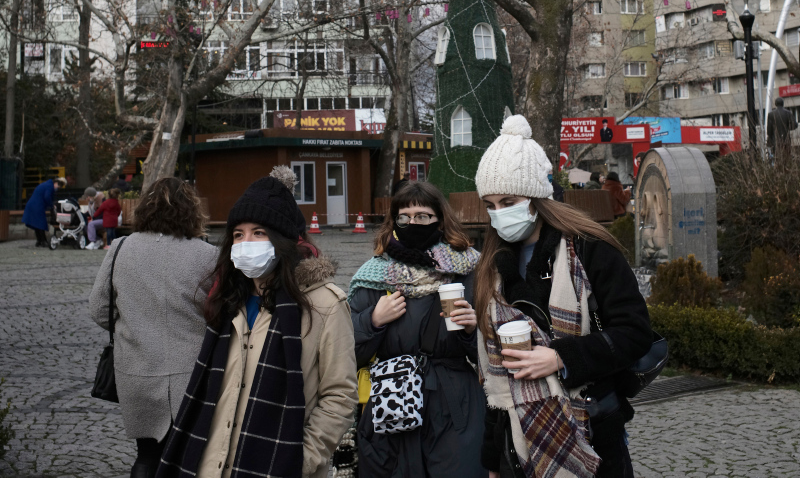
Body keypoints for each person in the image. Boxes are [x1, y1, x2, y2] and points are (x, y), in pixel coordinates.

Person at [472, 115, 652, 478]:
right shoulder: (492, 264)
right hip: (517, 443)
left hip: (592, 432)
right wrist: (492, 461)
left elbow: (634, 333)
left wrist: (560, 358)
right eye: (490, 205)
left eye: (508, 201)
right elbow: (496, 378)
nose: (498, 214)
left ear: (536, 198)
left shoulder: (590, 249)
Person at [158, 176, 357, 478]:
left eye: (259, 233)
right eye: (238, 235)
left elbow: (340, 395)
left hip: (280, 464)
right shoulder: (227, 301)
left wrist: (300, 458)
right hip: (212, 465)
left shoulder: (325, 304)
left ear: (283, 240)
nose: (245, 243)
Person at [349, 181, 486, 478]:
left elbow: (492, 354)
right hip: (390, 403)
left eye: (422, 216)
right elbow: (346, 352)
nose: (412, 223)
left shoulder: (469, 269)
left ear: (440, 220)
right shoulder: (373, 274)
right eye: (404, 217)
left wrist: (470, 330)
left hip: (455, 405)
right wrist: (372, 321)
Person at [88, 177, 218, 478]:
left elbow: (99, 309)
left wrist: (134, 325)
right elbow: (220, 314)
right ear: (192, 211)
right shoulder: (208, 255)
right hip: (192, 373)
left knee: (146, 456)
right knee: (190, 456)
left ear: (144, 209)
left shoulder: (120, 248)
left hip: (136, 370)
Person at [22, 177, 66, 247]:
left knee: (37, 224)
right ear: (56, 183)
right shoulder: (49, 186)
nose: (57, 189)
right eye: (58, 187)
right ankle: (43, 241)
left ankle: (39, 241)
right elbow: (47, 197)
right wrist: (51, 205)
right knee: (41, 223)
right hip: (37, 206)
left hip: (33, 205)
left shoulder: (46, 184)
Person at [767, 97, 797, 162]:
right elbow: (795, 125)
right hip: (786, 140)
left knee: (777, 159)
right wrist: (787, 129)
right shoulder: (788, 113)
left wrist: (770, 140)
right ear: (783, 103)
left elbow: (769, 131)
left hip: (775, 141)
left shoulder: (771, 114)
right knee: (786, 159)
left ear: (775, 104)